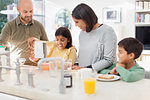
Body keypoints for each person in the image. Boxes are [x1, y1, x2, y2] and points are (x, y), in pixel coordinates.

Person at [0, 0, 48, 65]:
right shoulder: (9, 26)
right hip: (17, 67)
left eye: (31, 11)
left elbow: (46, 45)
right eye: (25, 12)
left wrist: (37, 42)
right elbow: (1, 44)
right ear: (18, 10)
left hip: (36, 67)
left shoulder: (39, 25)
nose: (29, 14)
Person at [71, 3, 117, 72]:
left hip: (99, 76)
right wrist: (76, 65)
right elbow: (81, 54)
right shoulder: (82, 33)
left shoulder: (107, 31)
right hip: (82, 74)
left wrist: (87, 69)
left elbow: (109, 60)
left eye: (77, 22)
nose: (75, 25)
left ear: (85, 19)